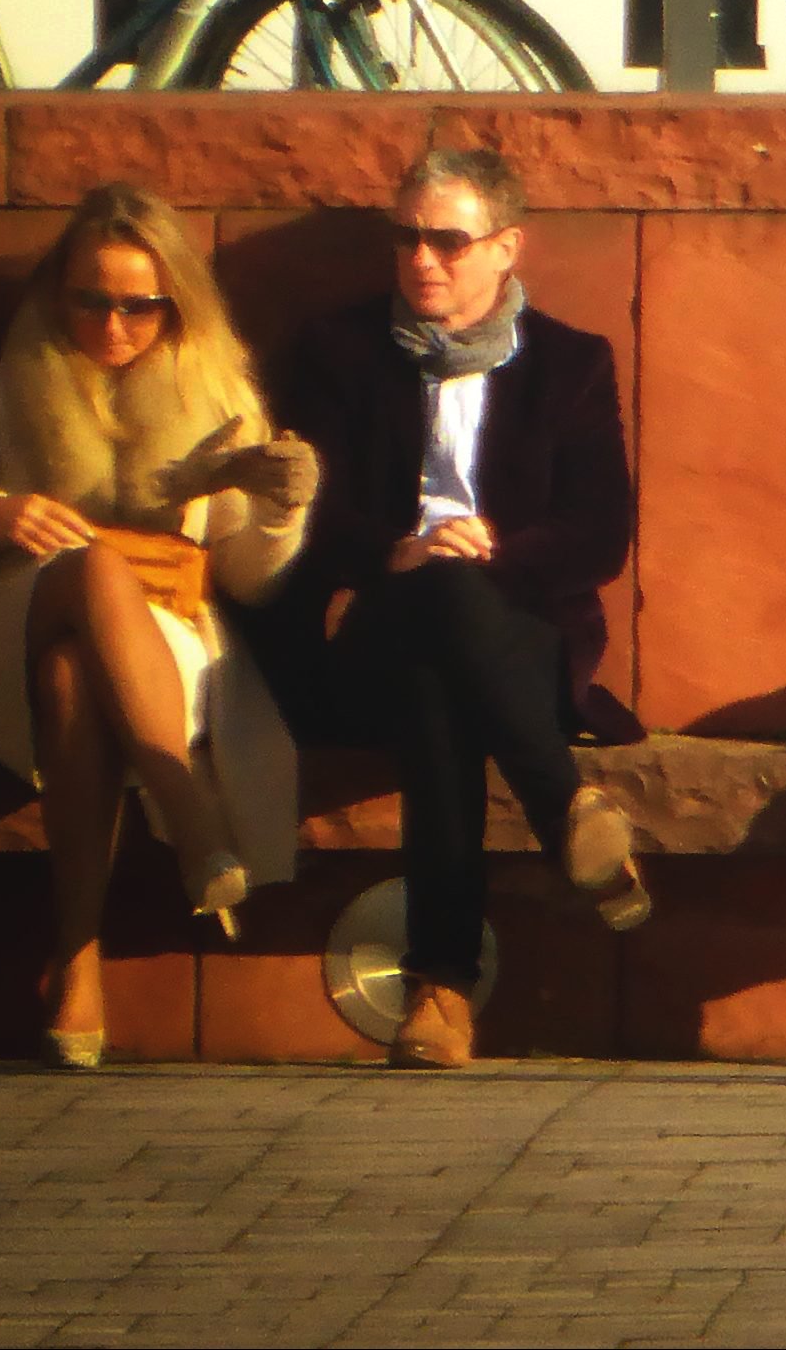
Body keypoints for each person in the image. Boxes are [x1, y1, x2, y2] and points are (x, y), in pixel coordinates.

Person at [0, 182, 318, 1067]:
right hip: (5, 636)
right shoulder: (5, 386)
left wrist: (282, 511)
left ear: (175, 304)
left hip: (164, 651)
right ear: (57, 294)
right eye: (89, 302)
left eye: (139, 307)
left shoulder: (217, 397)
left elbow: (250, 581)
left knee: (73, 677)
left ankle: (76, 966)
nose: (113, 327)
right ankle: (187, 810)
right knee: (89, 570)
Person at [246, 140, 649, 1069]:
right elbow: (307, 507)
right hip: (373, 626)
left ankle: (442, 987)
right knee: (430, 611)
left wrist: (491, 551)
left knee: (444, 664)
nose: (421, 259)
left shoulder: (570, 364)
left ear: (507, 247)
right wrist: (397, 550)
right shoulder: (341, 351)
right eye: (406, 238)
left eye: (448, 241)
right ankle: (564, 806)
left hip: (514, 637)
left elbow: (598, 534)